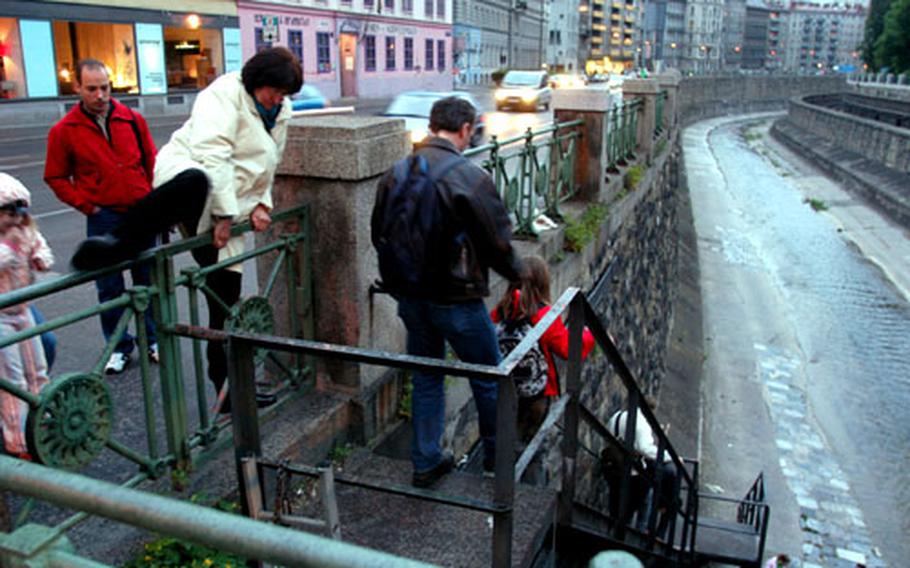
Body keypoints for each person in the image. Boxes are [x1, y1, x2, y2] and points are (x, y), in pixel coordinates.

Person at [68, 47, 302, 413]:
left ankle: (229, 391)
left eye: (284, 94)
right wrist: (223, 216)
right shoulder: (223, 95)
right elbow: (214, 155)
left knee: (225, 304)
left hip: (231, 201)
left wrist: (263, 204)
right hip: (191, 181)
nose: (278, 99)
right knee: (195, 181)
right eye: (275, 90)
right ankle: (119, 243)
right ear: (258, 81)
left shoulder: (280, 111)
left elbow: (270, 163)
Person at [371, 96, 525, 488]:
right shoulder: (468, 176)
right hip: (456, 298)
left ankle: (425, 460)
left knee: (426, 376)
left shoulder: (397, 171)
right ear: (465, 129)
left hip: (410, 296)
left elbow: (378, 232)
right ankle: (496, 461)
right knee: (489, 377)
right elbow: (498, 243)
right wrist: (519, 275)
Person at [44, 58, 158, 375]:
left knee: (146, 280)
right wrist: (89, 206)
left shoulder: (132, 120)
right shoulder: (64, 131)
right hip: (104, 217)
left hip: (140, 213)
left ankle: (153, 340)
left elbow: (151, 162)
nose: (100, 95)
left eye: (105, 88)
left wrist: (153, 198)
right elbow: (54, 176)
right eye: (92, 89)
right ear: (77, 88)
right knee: (109, 287)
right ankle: (119, 346)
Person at [490, 255, 595, 481]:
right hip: (537, 394)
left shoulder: (501, 310)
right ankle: (529, 499)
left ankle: (501, 486)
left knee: (507, 442)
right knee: (534, 449)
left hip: (506, 390)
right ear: (543, 283)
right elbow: (568, 348)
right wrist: (590, 334)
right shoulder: (543, 315)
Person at [0, 173, 53, 460]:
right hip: (1, 318)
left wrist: (40, 257)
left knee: (37, 370)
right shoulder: (7, 241)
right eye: (8, 213)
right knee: (13, 380)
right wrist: (8, 251)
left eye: (20, 213)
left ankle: (41, 424)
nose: (16, 220)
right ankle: (17, 440)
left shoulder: (24, 231)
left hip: (23, 309)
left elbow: (40, 246)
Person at [606, 395, 678, 534]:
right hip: (632, 472)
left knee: (616, 503)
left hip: (612, 467)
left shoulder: (617, 416)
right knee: (644, 498)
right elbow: (646, 449)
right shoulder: (642, 424)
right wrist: (670, 457)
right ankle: (640, 532)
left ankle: (613, 529)